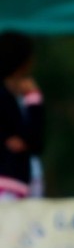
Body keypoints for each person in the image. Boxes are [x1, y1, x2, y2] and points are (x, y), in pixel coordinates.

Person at [0, 31, 44, 200]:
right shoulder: (5, 97)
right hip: (9, 183)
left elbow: (34, 141)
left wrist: (33, 99)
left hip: (24, 182)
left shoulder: (25, 95)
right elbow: (32, 138)